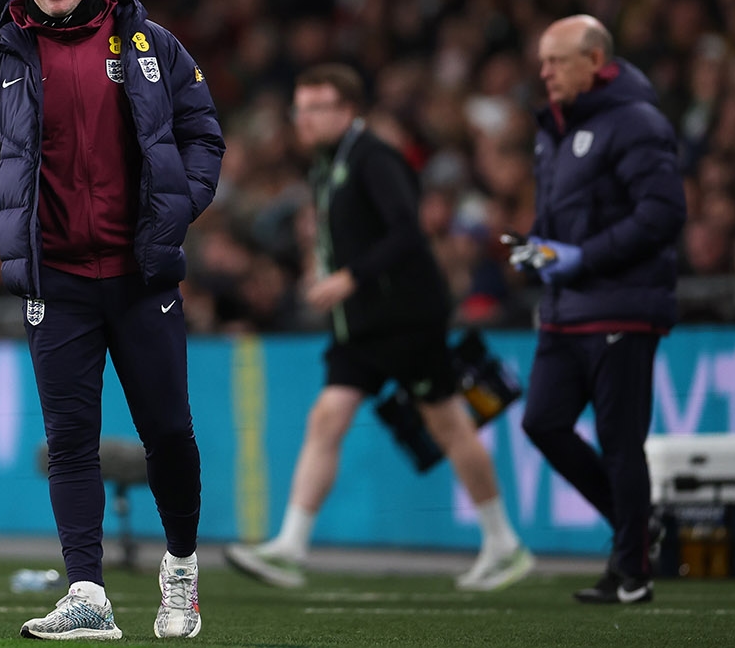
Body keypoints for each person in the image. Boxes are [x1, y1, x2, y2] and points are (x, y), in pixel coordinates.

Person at [0, 0, 223, 640]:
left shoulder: (149, 45)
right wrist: (5, 221)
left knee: (170, 433)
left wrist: (176, 209)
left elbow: (203, 134)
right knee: (71, 441)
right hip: (56, 281)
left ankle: (182, 569)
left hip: (140, 276)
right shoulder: (0, 58)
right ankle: (88, 593)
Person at [224, 63, 533, 592]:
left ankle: (503, 542)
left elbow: (408, 233)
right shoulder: (327, 165)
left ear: (347, 111)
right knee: (328, 418)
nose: (305, 118)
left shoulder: (374, 158)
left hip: (404, 318)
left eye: (317, 107)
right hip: (361, 324)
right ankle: (290, 546)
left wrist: (349, 277)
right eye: (301, 108)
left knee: (448, 424)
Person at [516, 15, 685, 604]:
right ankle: (636, 528)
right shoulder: (554, 130)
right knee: (542, 421)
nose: (545, 73)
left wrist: (582, 256)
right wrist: (538, 247)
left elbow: (663, 213)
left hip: (622, 306)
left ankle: (631, 573)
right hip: (566, 307)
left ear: (594, 60)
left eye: (556, 61)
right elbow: (562, 216)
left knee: (619, 441)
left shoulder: (637, 122)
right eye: (542, 61)